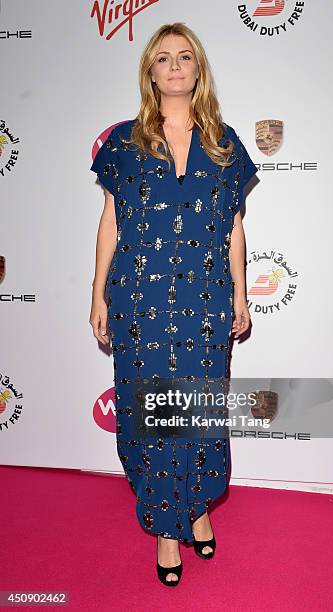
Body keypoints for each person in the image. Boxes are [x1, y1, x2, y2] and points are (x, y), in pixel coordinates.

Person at [89, 22, 259, 587]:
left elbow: (233, 227)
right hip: (139, 301)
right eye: (163, 58)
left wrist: (239, 292)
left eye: (185, 56)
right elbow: (110, 221)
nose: (176, 66)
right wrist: (97, 295)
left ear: (197, 68)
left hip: (204, 299)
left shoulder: (225, 143)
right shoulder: (123, 142)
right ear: (151, 72)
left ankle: (198, 507)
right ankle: (167, 528)